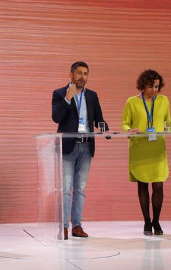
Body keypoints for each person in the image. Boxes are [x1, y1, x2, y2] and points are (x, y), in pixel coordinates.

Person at [121, 69, 171, 236]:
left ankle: (156, 220)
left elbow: (167, 121)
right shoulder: (131, 102)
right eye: (151, 86)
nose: (154, 90)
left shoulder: (164, 100)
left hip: (157, 147)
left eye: (157, 86)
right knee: (142, 185)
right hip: (139, 148)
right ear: (143, 85)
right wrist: (130, 130)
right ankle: (146, 221)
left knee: (158, 185)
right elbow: (124, 123)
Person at [52, 61, 109, 240]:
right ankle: (64, 227)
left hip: (86, 146)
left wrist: (106, 129)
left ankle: (77, 225)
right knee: (66, 188)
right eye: (79, 73)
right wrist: (67, 99)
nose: (82, 77)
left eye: (85, 73)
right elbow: (56, 118)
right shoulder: (60, 93)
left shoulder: (92, 96)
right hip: (68, 146)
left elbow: (99, 119)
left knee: (80, 188)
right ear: (71, 74)